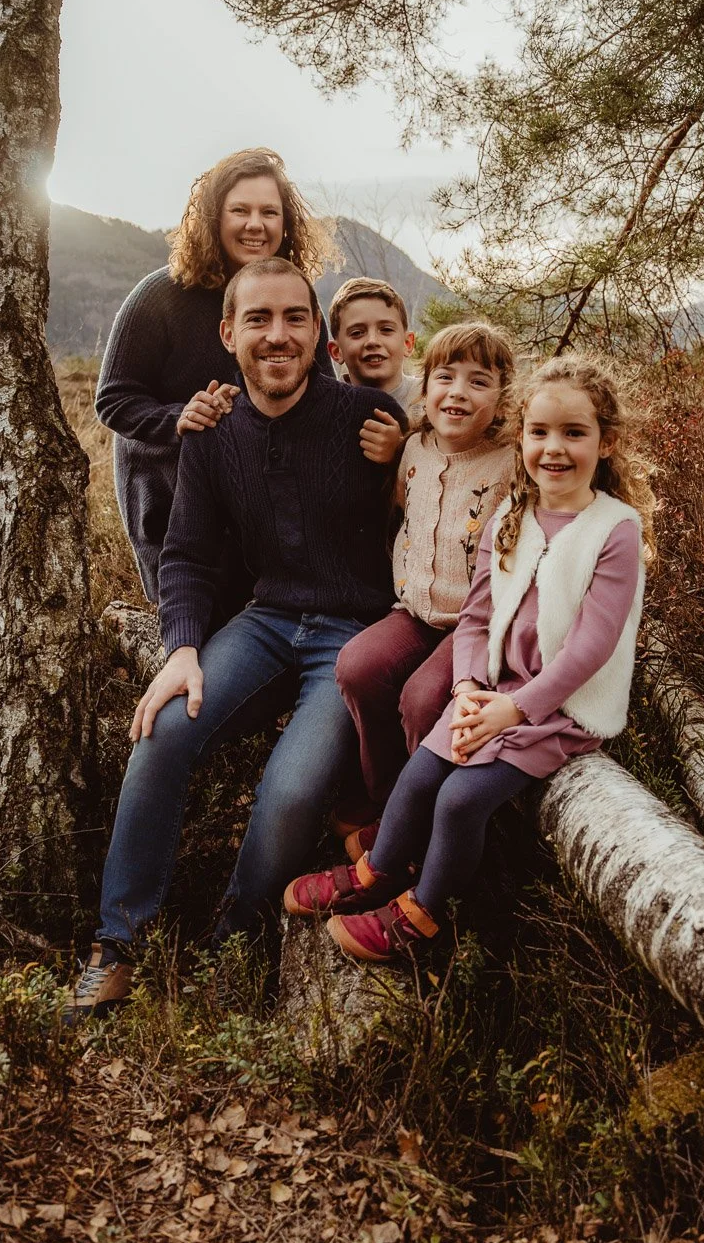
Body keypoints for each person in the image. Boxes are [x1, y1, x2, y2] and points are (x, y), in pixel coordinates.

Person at [63, 259, 407, 1023]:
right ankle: (118, 947)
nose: (277, 335)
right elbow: (184, 554)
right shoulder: (215, 434)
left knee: (289, 792)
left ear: (317, 333)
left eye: (294, 318)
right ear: (229, 333)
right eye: (258, 320)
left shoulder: (368, 419)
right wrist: (182, 648)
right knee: (160, 733)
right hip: (266, 622)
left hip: (349, 639)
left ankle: (234, 944)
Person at [284, 353, 656, 963]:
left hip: (559, 708)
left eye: (574, 433)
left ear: (606, 442)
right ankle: (375, 873)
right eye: (539, 433)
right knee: (422, 773)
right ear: (521, 438)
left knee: (459, 800)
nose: (553, 449)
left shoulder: (613, 529)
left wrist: (514, 710)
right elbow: (477, 618)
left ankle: (424, 915)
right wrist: (466, 690)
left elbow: (591, 646)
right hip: (492, 689)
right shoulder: (512, 515)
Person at [95, 148, 336, 606]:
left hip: (260, 503)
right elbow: (114, 399)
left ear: (286, 224)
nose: (255, 224)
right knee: (203, 629)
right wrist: (178, 419)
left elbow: (323, 392)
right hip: (171, 501)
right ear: (212, 218)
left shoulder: (291, 295)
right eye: (239, 210)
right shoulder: (160, 295)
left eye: (270, 212)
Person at [331, 321, 517, 855]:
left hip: (472, 625)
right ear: (426, 386)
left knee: (422, 700)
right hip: (413, 611)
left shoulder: (509, 462)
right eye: (445, 377)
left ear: (502, 398)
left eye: (478, 382)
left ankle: (425, 828)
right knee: (358, 666)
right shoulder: (412, 450)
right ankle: (388, 801)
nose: (457, 391)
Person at [327, 277, 424, 458]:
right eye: (357, 333)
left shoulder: (432, 400)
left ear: (408, 344)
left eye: (386, 330)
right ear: (336, 351)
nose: (372, 341)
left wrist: (399, 451)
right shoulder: (326, 411)